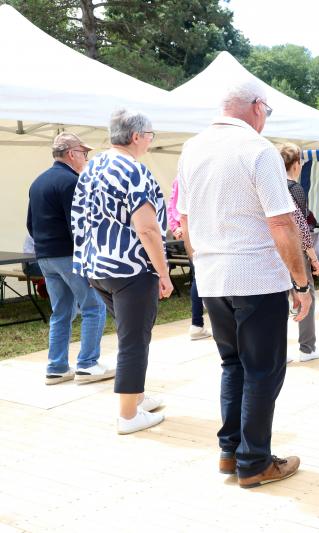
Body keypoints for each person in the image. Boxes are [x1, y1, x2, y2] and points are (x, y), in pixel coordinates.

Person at [176, 81, 311, 488]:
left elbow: (183, 220)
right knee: (263, 370)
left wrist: (202, 263)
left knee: (233, 365)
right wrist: (301, 283)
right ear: (256, 107)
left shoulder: (192, 147)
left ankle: (230, 451)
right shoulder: (257, 149)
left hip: (213, 276)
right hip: (255, 275)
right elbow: (281, 221)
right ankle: (254, 461)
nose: (265, 118)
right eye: (267, 110)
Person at [72, 110, 171, 434]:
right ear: (137, 137)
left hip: (96, 267)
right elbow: (148, 229)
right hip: (130, 268)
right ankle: (128, 415)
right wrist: (164, 272)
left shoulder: (93, 166)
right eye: (151, 135)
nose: (151, 141)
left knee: (132, 334)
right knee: (134, 340)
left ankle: (136, 396)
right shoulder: (133, 170)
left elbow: (81, 218)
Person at [27, 133, 111, 386]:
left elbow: (30, 224)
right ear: (72, 154)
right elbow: (79, 225)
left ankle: (57, 367)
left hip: (45, 256)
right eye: (84, 154)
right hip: (70, 255)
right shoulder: (73, 181)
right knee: (94, 306)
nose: (86, 158)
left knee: (61, 311)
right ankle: (87, 364)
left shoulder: (37, 182)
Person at [278, 142, 319, 363]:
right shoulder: (295, 189)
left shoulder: (271, 188)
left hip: (273, 252)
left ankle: (280, 351)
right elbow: (300, 224)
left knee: (280, 300)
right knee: (306, 294)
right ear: (296, 164)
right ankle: (307, 347)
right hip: (294, 251)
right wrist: (312, 255)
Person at [167, 180, 211, 341]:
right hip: (199, 230)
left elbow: (171, 205)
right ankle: (198, 323)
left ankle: (197, 323)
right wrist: (176, 226)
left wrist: (175, 226)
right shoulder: (191, 175)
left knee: (198, 276)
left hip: (192, 230)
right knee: (202, 275)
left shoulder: (180, 177)